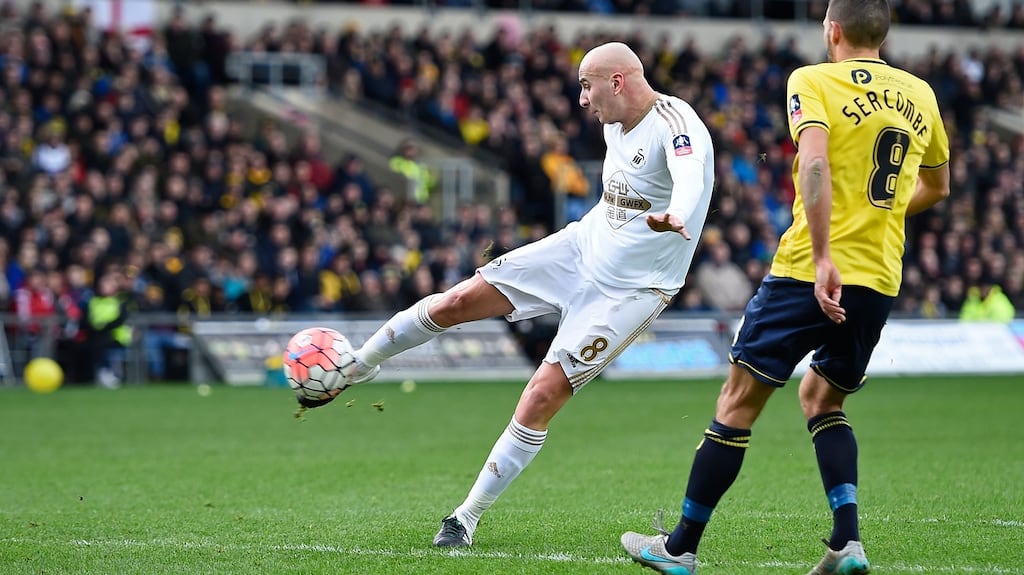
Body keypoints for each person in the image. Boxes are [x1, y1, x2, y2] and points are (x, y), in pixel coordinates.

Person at [299, 41, 716, 548]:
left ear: (617, 81)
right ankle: (358, 364)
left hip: (631, 289)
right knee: (457, 299)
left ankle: (464, 519)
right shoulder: (613, 124)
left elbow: (690, 173)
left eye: (587, 85)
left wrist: (679, 211)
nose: (582, 99)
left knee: (541, 394)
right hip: (581, 246)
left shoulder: (675, 121)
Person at [620, 2, 951, 574]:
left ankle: (679, 549)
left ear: (834, 29)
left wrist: (824, 256)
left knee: (737, 403)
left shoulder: (813, 80)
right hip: (879, 275)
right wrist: (886, 217)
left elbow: (814, 165)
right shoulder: (921, 94)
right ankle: (846, 541)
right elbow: (938, 185)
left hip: (807, 269)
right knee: (823, 399)